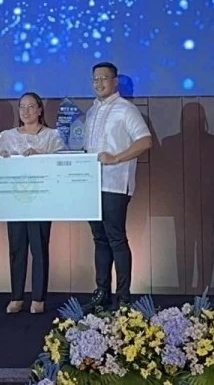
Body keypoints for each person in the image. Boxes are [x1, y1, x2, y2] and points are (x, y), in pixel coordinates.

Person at [83, 62, 152, 311]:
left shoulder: (125, 109)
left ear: (115, 82)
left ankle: (123, 296)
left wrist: (116, 158)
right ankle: (102, 291)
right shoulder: (92, 112)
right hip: (91, 185)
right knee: (99, 239)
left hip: (114, 184)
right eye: (95, 79)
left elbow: (145, 141)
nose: (99, 83)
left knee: (115, 238)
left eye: (104, 78)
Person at [0, 92, 64, 315]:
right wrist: (1, 158)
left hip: (41, 201)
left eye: (31, 107)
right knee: (16, 249)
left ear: (40, 110)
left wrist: (41, 157)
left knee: (39, 248)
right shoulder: (6, 136)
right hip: (15, 200)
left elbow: (61, 166)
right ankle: (16, 296)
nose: (26, 111)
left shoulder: (52, 136)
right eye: (22, 107)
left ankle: (38, 297)